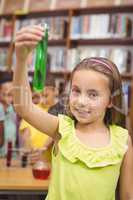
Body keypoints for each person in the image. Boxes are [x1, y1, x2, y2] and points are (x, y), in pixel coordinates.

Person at [13, 25, 133, 200]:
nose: (81, 101)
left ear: (110, 101)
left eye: (93, 94)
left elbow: (127, 195)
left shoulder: (123, 141)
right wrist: (21, 60)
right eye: (76, 91)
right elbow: (24, 107)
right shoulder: (62, 128)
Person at [19, 78, 57, 164]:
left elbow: (55, 133)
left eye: (45, 95)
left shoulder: (58, 111)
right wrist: (29, 146)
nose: (41, 100)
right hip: (32, 159)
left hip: (50, 162)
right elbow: (26, 131)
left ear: (55, 91)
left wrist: (43, 148)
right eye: (39, 96)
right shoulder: (32, 109)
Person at [0, 80, 17, 157]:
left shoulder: (13, 110)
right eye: (5, 93)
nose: (8, 95)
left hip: (11, 156)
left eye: (11, 93)